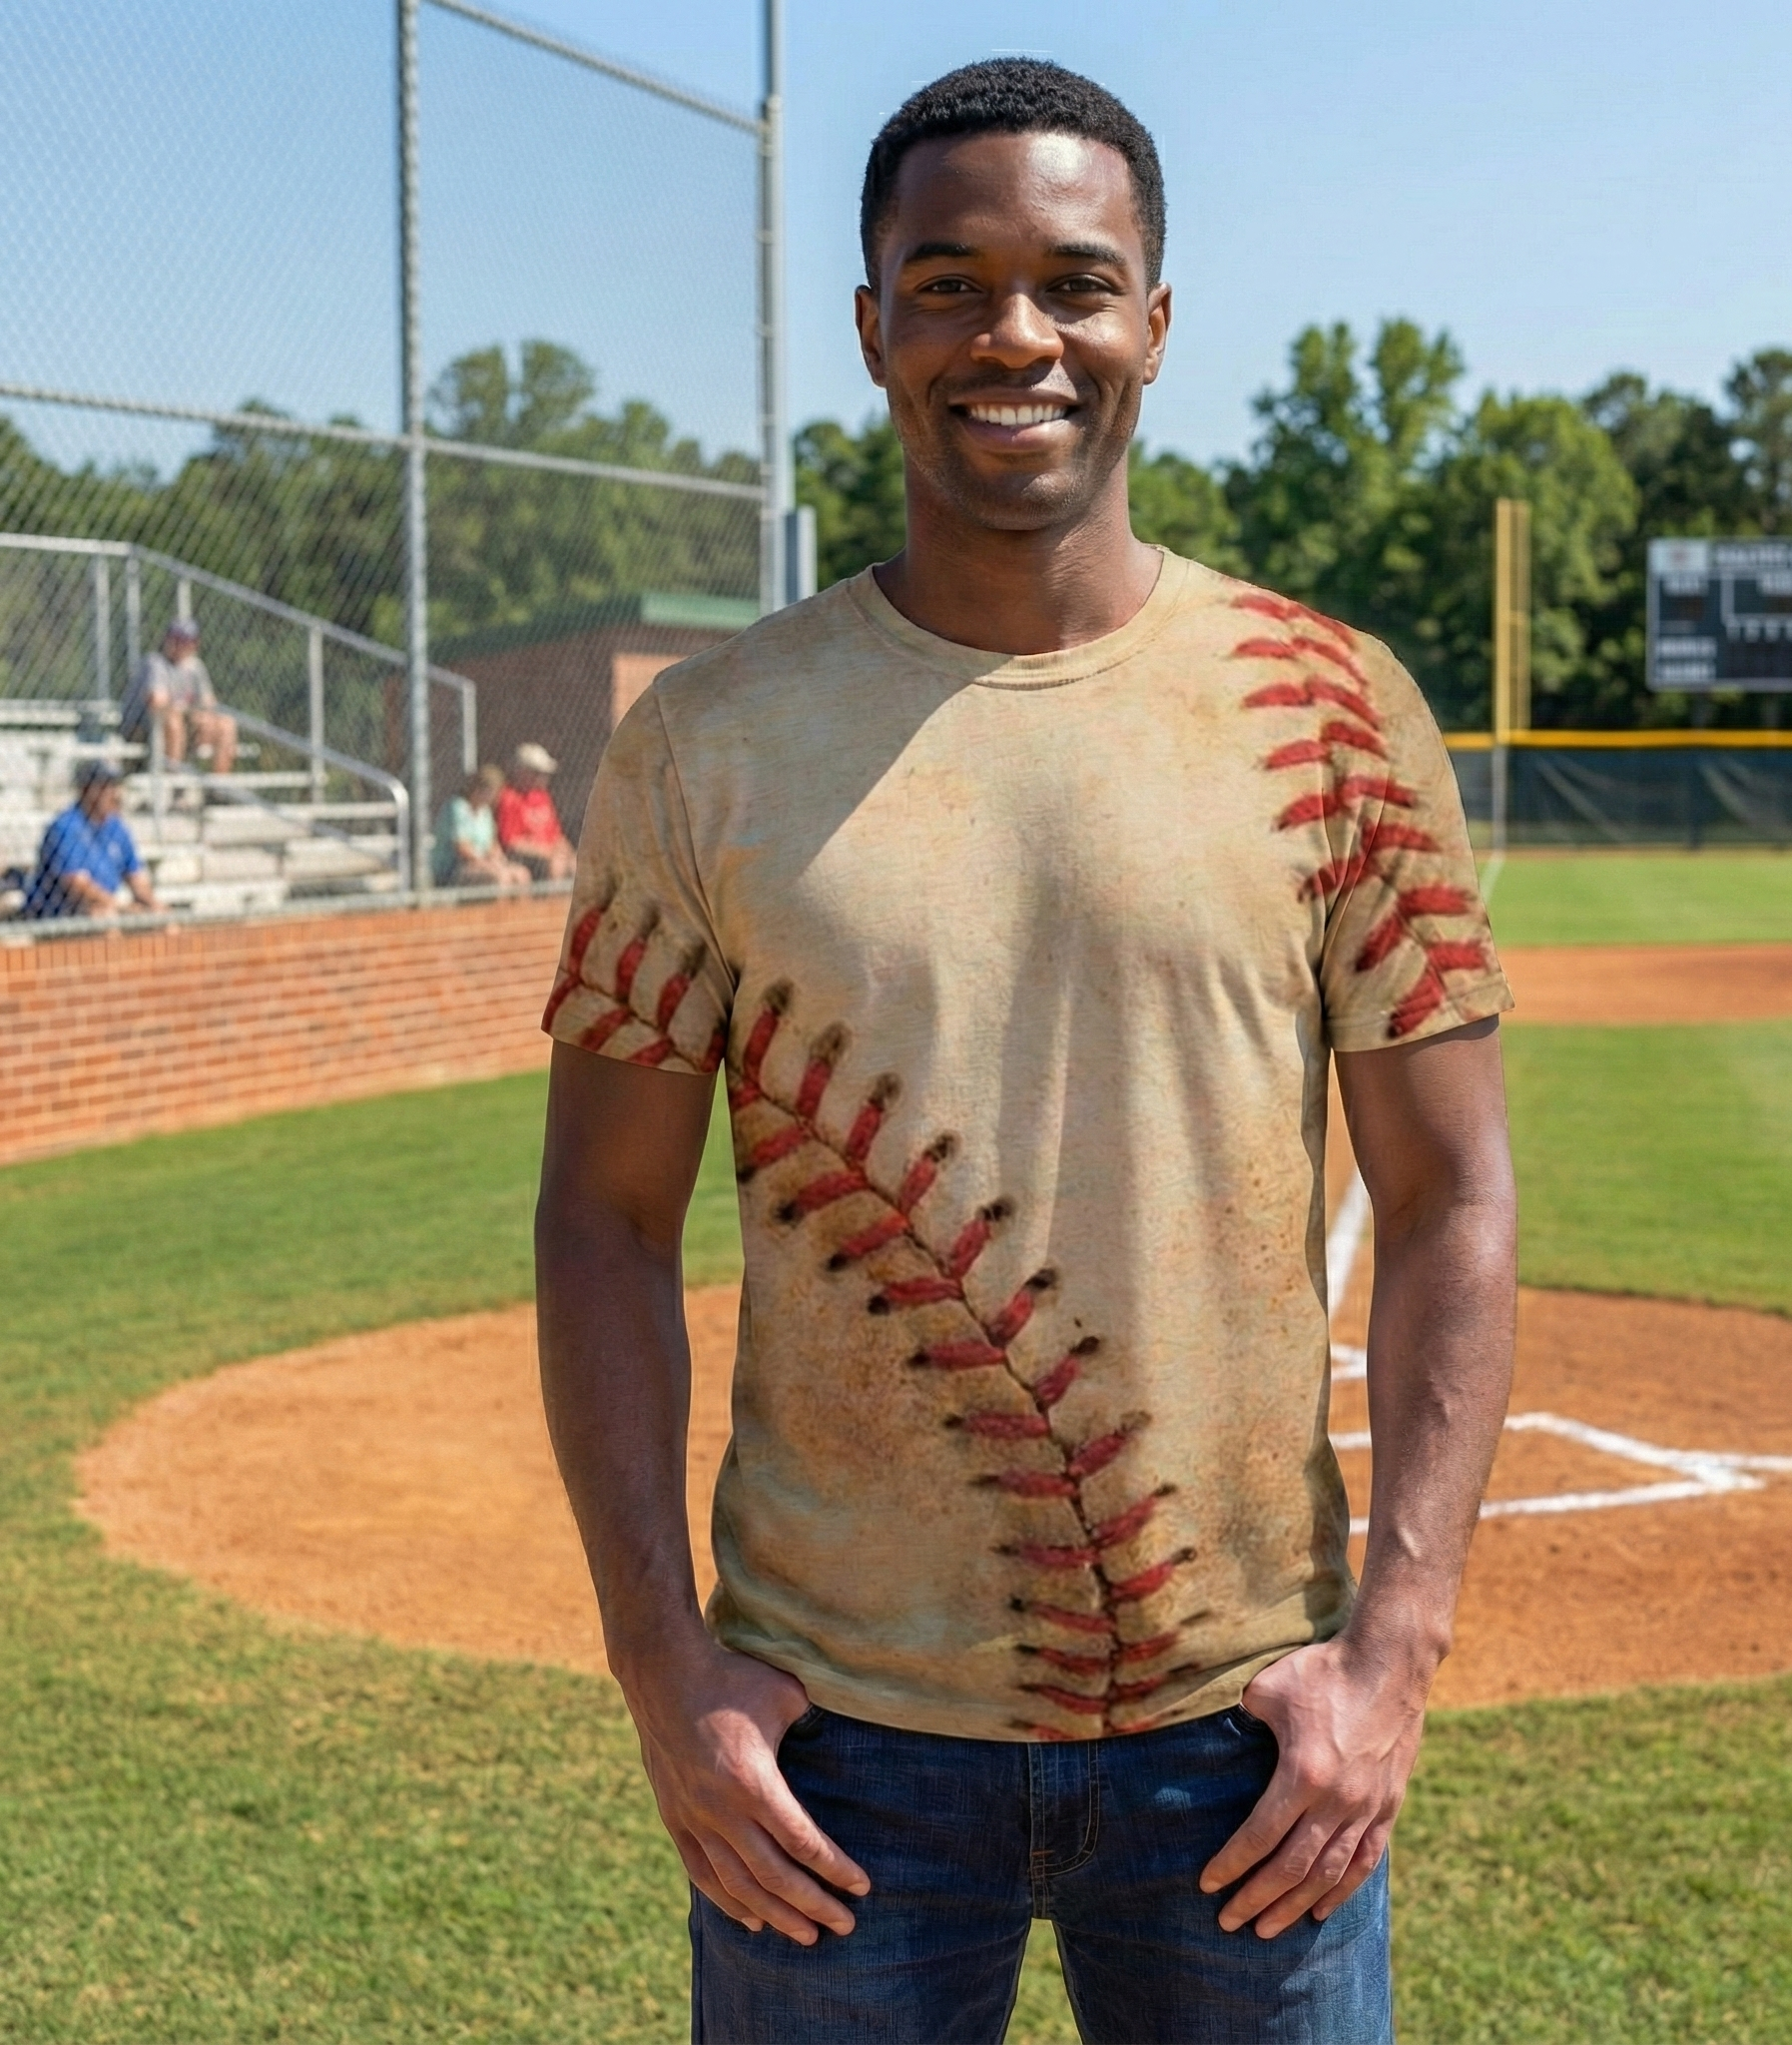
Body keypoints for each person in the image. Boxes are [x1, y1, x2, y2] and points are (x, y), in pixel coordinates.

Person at [534, 59, 1515, 2045]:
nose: (1013, 336)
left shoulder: (1333, 712)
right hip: (834, 1751)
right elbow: (601, 1218)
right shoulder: (704, 744)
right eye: (948, 282)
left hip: (1243, 1744)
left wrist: (1393, 1651)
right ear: (871, 326)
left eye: (1073, 282)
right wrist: (664, 1666)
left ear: (1152, 319)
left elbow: (1451, 1190)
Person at [24, 761, 158, 919]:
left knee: (164, 921)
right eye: (105, 787)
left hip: (108, 905)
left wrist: (153, 905)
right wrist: (120, 907)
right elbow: (75, 884)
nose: (114, 794)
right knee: (102, 916)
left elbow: (135, 875)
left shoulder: (116, 827)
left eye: (115, 786)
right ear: (86, 790)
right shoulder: (66, 826)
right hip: (61, 912)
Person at [121, 619, 237, 776]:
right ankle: (174, 782)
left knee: (226, 724)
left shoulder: (195, 667)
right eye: (177, 639)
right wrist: (191, 711)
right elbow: (157, 702)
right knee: (173, 720)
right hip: (143, 728)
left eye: (188, 641)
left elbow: (209, 703)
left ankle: (219, 784)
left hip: (183, 723)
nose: (181, 645)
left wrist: (204, 716)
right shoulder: (155, 662)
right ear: (167, 640)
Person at [431, 765, 529, 890]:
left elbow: (492, 843)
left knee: (521, 874)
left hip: (482, 863)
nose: (494, 796)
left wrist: (497, 858)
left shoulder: (485, 811)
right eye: (491, 791)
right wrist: (485, 863)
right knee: (500, 877)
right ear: (477, 788)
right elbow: (461, 847)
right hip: (455, 869)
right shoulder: (457, 807)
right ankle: (497, 903)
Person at [495, 742, 575, 881]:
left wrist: (567, 851)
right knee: (556, 865)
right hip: (523, 858)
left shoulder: (542, 797)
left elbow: (556, 834)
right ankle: (553, 895)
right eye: (537, 773)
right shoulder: (509, 798)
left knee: (575, 864)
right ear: (521, 772)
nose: (544, 778)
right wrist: (548, 853)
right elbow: (512, 843)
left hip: (549, 853)